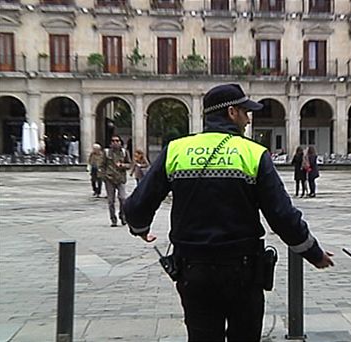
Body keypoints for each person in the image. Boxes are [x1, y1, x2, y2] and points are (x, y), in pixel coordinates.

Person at [123, 83, 334, 341]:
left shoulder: (176, 150)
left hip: (193, 270)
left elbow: (135, 207)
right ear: (232, 112)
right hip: (242, 271)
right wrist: (313, 252)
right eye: (246, 112)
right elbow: (282, 215)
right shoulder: (253, 153)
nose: (248, 120)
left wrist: (141, 229)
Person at [101, 135, 131, 227]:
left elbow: (129, 164)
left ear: (120, 142)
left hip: (120, 178)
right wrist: (104, 176)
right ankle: (113, 219)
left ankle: (123, 216)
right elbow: (102, 165)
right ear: (110, 143)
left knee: (123, 198)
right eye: (113, 141)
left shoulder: (124, 152)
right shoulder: (106, 153)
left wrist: (123, 165)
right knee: (111, 201)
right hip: (109, 179)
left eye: (117, 141)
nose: (115, 142)